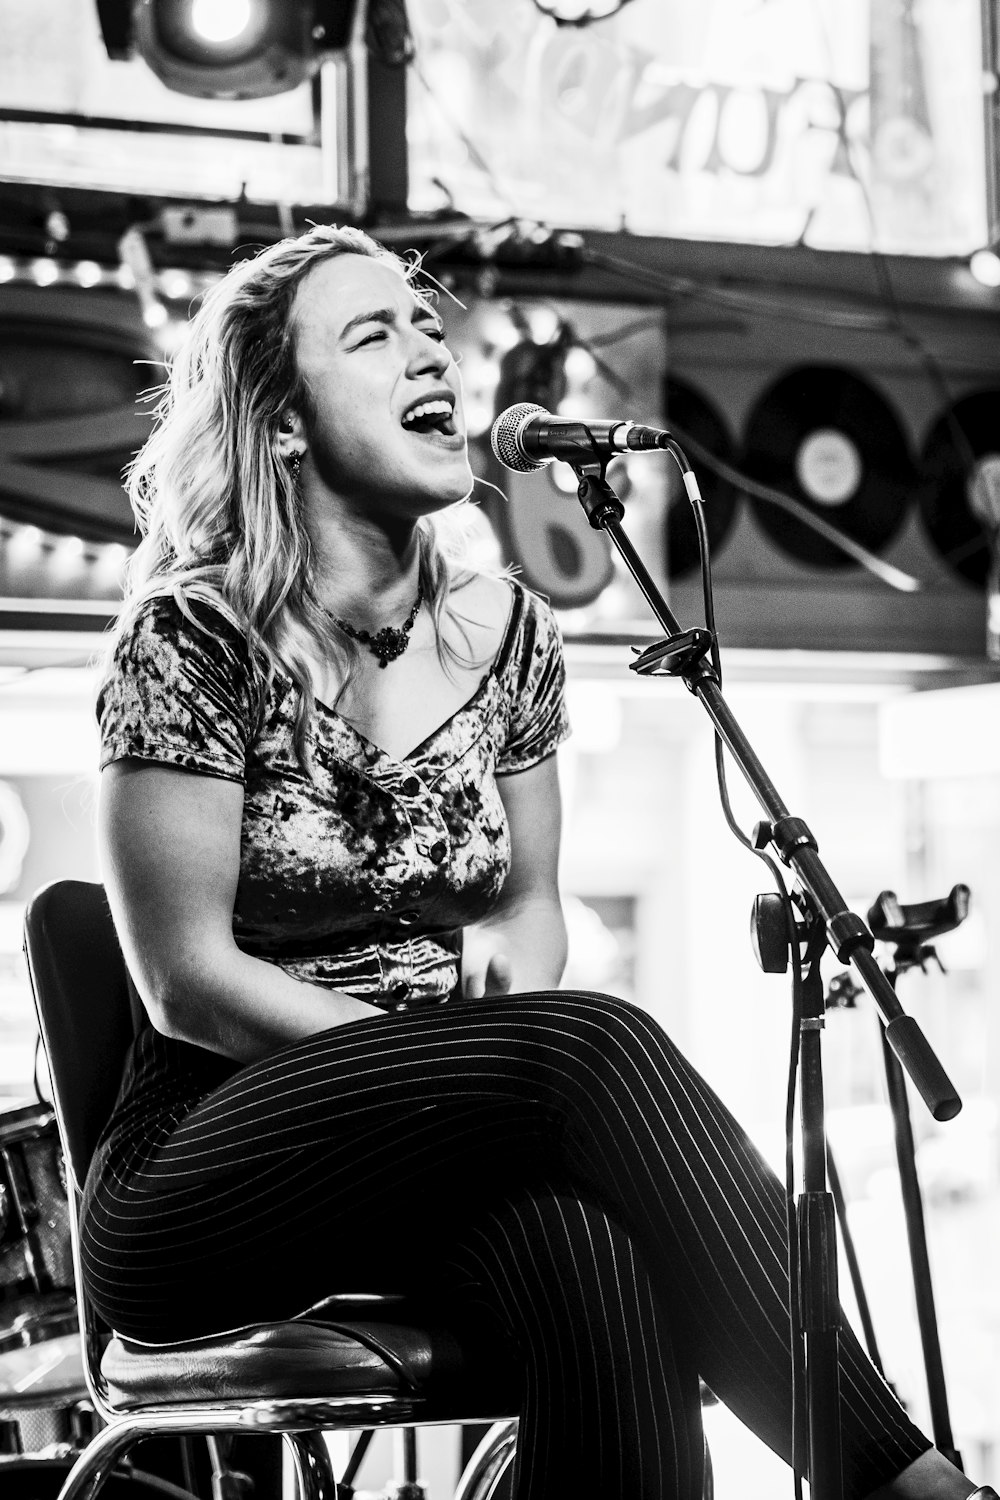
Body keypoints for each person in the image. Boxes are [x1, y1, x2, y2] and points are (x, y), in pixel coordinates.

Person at [79, 223, 989, 1500]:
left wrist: (498, 994)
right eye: (372, 334)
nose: (427, 348)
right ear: (282, 422)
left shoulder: (507, 629)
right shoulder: (194, 631)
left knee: (593, 1266)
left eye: (425, 323)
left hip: (433, 1138)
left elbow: (528, 904)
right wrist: (455, 1070)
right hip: (207, 1164)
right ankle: (902, 1481)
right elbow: (186, 982)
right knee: (592, 1045)